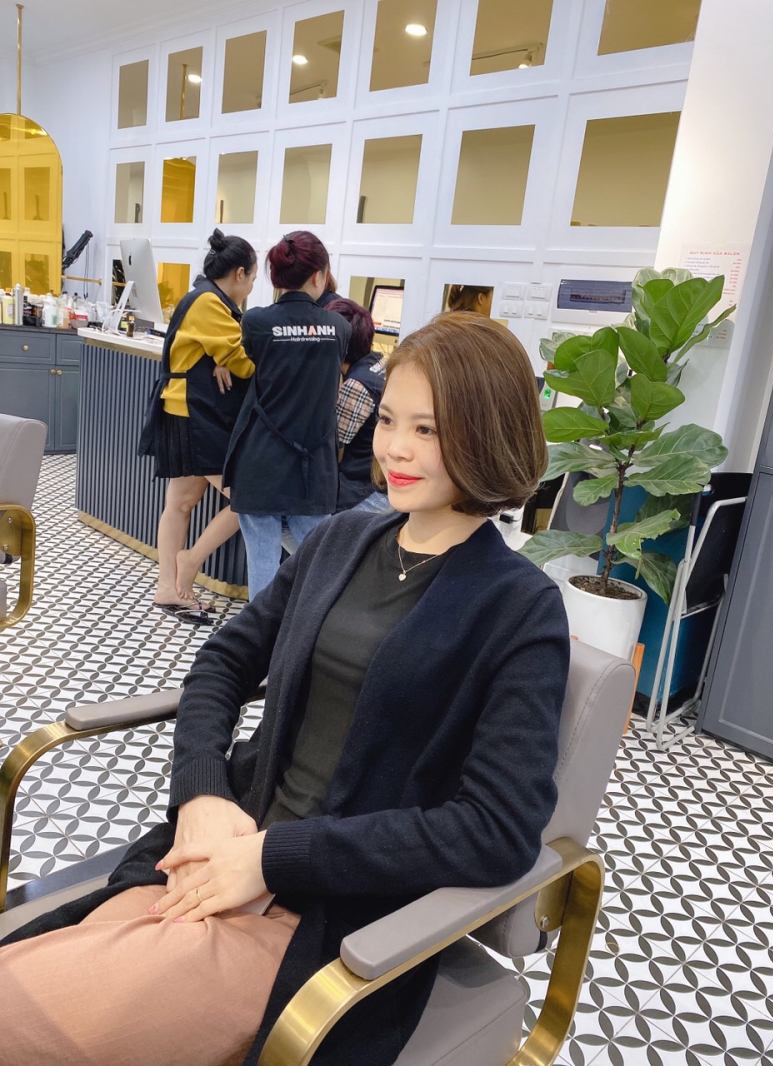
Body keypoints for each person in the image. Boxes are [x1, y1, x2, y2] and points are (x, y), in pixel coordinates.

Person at [0, 313, 570, 1066]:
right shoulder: (339, 542)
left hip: (323, 921)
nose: (395, 448)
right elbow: (222, 664)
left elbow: (496, 830)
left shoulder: (519, 606)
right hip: (220, 853)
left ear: (489, 436)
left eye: (428, 430)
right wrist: (203, 795)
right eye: (388, 420)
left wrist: (275, 858)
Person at [138, 229, 257, 625]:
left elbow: (225, 349)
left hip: (185, 411)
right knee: (247, 500)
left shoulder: (207, 298)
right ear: (239, 273)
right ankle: (187, 563)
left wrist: (222, 356)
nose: (251, 288)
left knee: (181, 504)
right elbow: (244, 362)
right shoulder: (209, 302)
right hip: (195, 416)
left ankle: (167, 588)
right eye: (252, 279)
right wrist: (230, 358)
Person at [223, 231, 351, 597]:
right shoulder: (339, 328)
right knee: (315, 573)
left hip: (260, 462)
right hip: (313, 470)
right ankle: (304, 632)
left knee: (262, 570)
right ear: (319, 276)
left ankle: (260, 633)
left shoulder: (256, 323)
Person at [325, 296, 391, 513]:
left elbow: (333, 449)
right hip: (380, 480)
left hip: (362, 488)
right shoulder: (381, 362)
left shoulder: (356, 386)